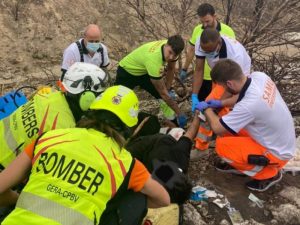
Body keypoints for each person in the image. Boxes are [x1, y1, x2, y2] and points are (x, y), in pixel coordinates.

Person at [0, 85, 170, 224]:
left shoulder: (49, 138)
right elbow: (164, 200)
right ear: (129, 128)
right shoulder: (126, 164)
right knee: (135, 196)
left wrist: (24, 200)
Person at [195, 59, 296, 192]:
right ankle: (245, 163)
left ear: (230, 83)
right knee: (226, 133)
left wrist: (206, 109)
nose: (224, 90)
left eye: (224, 87)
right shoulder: (259, 76)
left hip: (277, 153)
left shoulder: (249, 106)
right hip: (280, 138)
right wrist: (220, 103)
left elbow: (217, 128)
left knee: (222, 146)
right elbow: (240, 96)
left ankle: (269, 174)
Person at [0, 62, 108, 169]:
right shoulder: (65, 130)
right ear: (87, 98)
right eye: (100, 95)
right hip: (5, 164)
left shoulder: (48, 95)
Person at [191, 28, 251, 157]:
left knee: (209, 110)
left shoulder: (235, 55)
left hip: (236, 80)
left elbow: (234, 85)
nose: (207, 53)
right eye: (205, 51)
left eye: (210, 51)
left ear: (218, 43)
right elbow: (199, 69)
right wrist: (194, 94)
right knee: (214, 108)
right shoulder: (201, 42)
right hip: (219, 75)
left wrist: (218, 103)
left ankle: (202, 148)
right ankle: (216, 135)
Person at [115, 35, 187, 128]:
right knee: (118, 99)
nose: (171, 57)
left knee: (163, 99)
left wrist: (168, 88)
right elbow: (163, 94)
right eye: (170, 53)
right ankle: (115, 122)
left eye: (175, 55)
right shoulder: (153, 60)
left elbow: (171, 68)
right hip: (127, 71)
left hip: (143, 71)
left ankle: (173, 122)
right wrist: (179, 112)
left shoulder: (172, 48)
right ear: (166, 45)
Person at [179, 3, 235, 101]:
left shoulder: (228, 31)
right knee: (200, 105)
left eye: (207, 21)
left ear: (214, 16)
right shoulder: (197, 30)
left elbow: (233, 55)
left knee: (216, 105)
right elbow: (191, 50)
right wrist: (184, 68)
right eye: (202, 22)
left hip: (220, 78)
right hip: (202, 77)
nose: (204, 25)